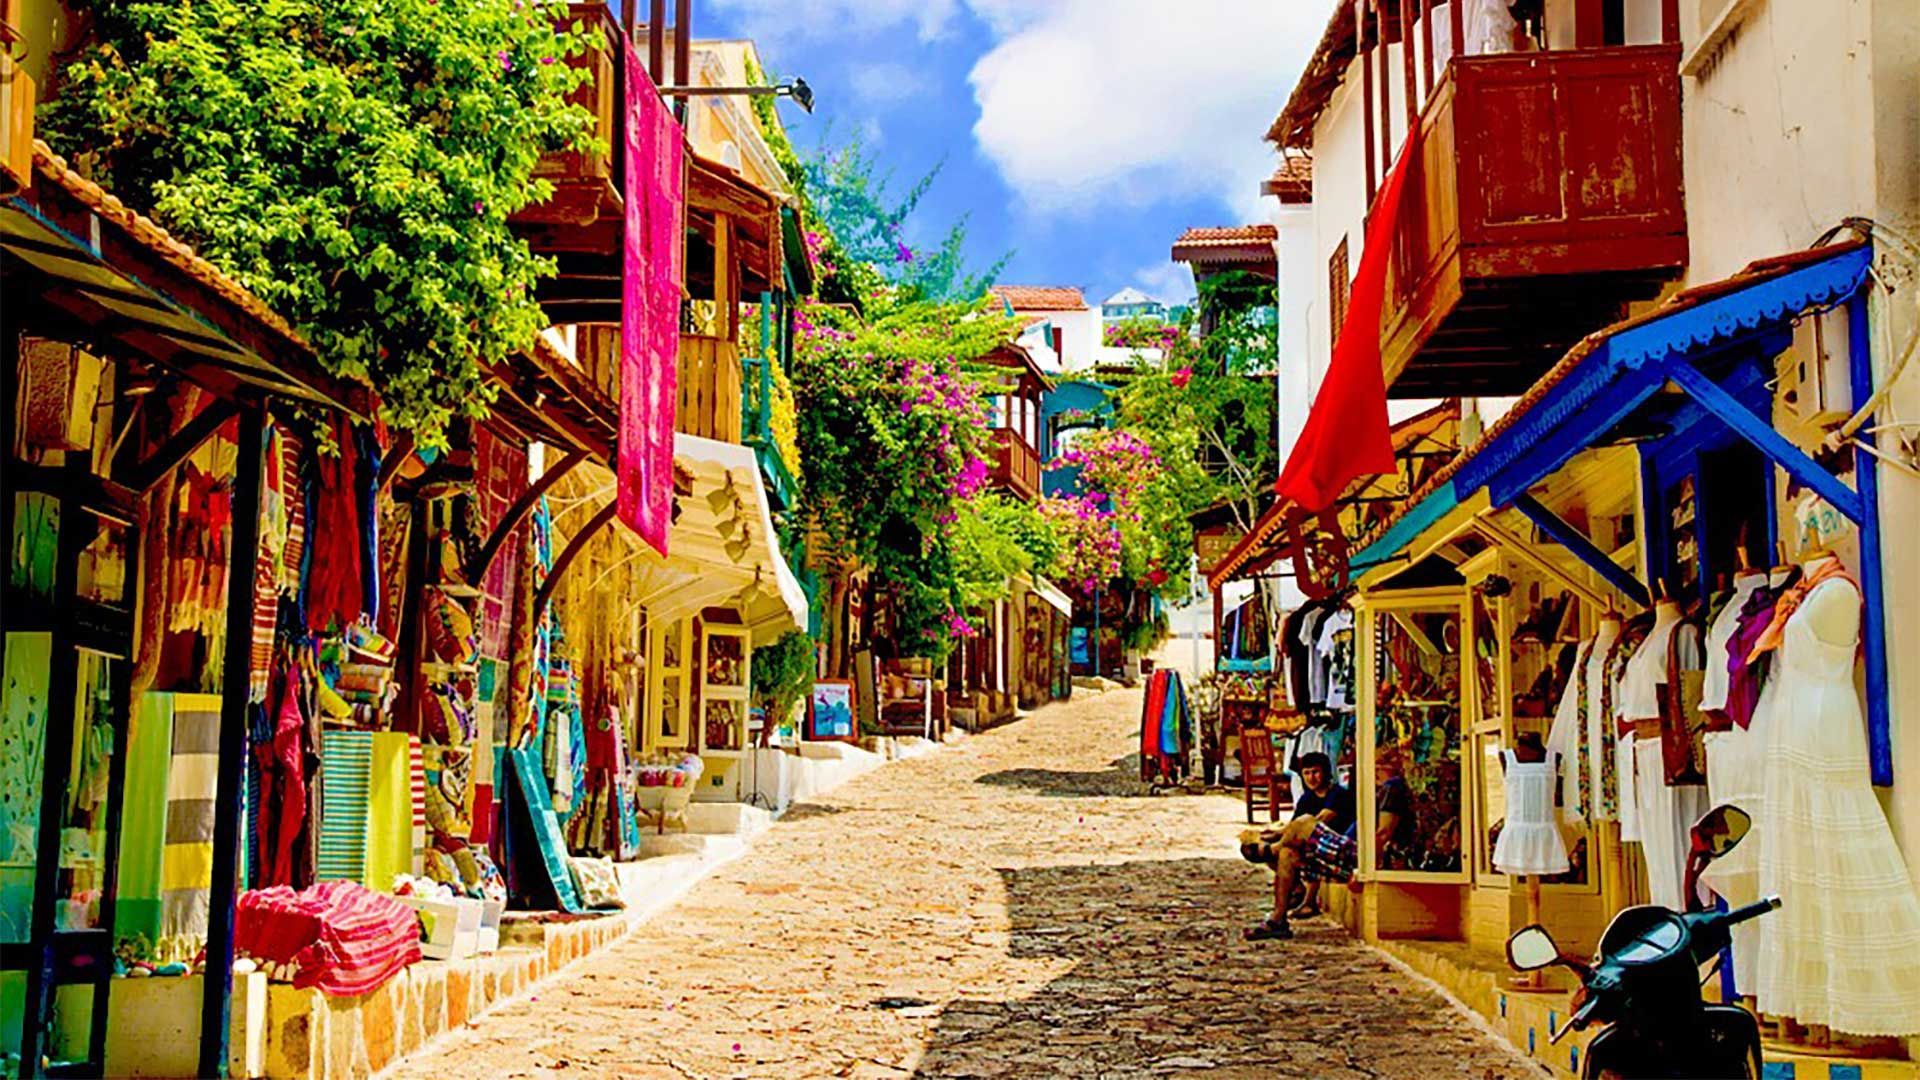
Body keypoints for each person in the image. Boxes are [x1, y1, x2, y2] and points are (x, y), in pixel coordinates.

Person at [1238, 750, 1408, 941]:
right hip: (1340, 851)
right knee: (1287, 853)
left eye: (1381, 763)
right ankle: (1278, 919)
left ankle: (1270, 851)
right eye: (1374, 764)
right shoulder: (1310, 798)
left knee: (1305, 822)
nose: (1375, 769)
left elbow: (1383, 833)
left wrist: (1366, 870)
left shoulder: (1391, 787)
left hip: (1356, 853)